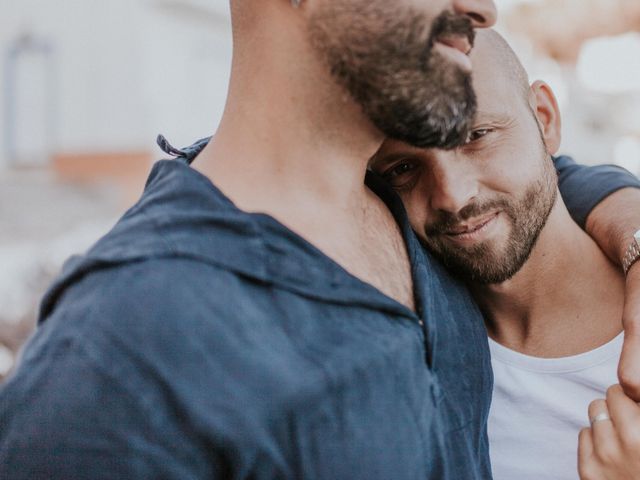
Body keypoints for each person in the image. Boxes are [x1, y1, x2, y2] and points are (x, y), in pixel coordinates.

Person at [0, 1, 639, 478]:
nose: (483, 7)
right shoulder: (117, 355)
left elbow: (538, 175)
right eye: (411, 166)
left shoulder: (412, 213)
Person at [370, 29, 640, 480]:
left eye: (477, 135)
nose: (453, 197)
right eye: (404, 168)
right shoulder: (412, 366)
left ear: (545, 118)